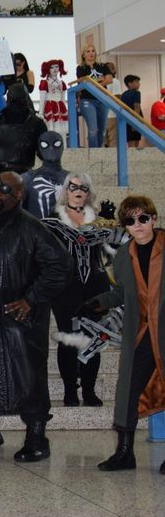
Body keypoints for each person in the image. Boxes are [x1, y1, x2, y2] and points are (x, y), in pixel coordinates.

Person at [0, 172, 69, 462]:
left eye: (5, 189)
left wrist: (31, 299)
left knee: (29, 377)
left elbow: (61, 266)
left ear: (18, 195)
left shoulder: (31, 228)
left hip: (15, 321)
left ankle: (37, 437)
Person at [88, 196, 165, 472]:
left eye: (143, 218)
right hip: (141, 332)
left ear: (153, 219)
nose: (138, 225)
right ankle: (124, 453)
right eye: (131, 221)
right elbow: (122, 292)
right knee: (128, 390)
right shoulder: (124, 255)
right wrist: (99, 303)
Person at [41, 173, 121, 407]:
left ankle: (88, 390)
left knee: (93, 337)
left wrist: (108, 224)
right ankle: (69, 391)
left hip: (95, 284)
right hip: (66, 286)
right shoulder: (52, 219)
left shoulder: (97, 218)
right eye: (73, 187)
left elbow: (112, 251)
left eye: (83, 187)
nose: (77, 191)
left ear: (88, 192)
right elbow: (44, 254)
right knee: (68, 336)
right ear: (65, 190)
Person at [75, 44, 112, 148]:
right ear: (83, 55)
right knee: (93, 129)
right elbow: (83, 82)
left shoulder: (102, 66)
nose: (91, 53)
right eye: (88, 51)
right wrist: (100, 79)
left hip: (102, 100)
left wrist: (94, 84)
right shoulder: (81, 68)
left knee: (102, 129)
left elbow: (109, 79)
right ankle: (93, 153)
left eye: (93, 51)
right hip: (87, 100)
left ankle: (98, 150)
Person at [120, 74, 144, 148]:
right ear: (129, 84)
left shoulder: (124, 94)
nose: (138, 84)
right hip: (135, 119)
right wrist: (135, 121)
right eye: (136, 82)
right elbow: (136, 106)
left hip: (126, 120)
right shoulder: (136, 93)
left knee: (130, 143)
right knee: (135, 142)